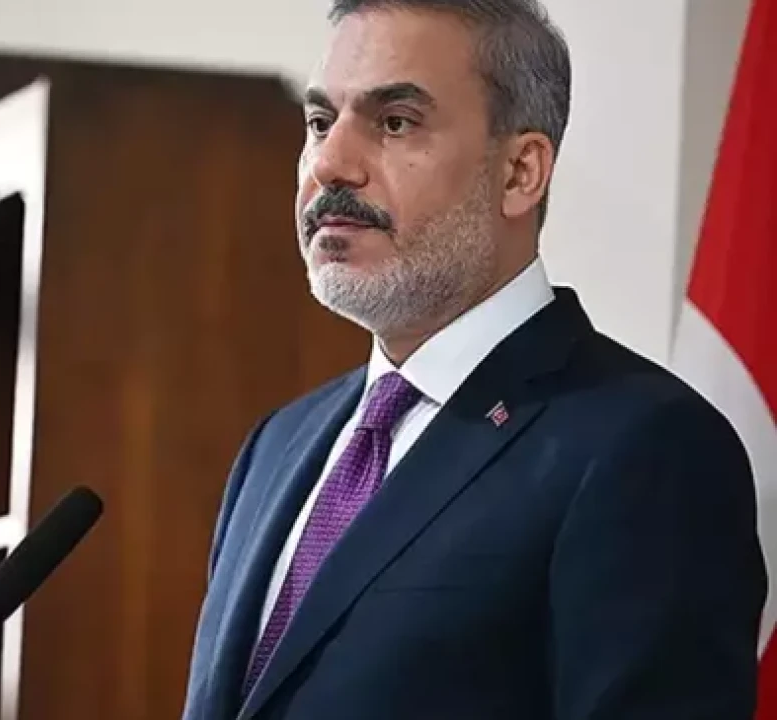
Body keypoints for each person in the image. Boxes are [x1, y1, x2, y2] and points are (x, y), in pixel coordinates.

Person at [180, 1, 768, 718]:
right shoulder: (276, 447)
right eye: (321, 122)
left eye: (395, 122)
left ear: (520, 172)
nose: (330, 164)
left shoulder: (647, 448)